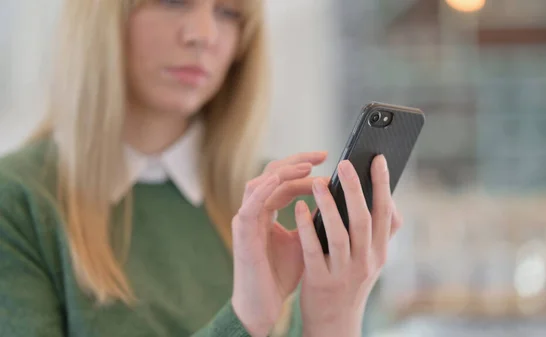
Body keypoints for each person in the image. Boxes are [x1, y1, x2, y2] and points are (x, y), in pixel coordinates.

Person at [0, 0, 402, 336]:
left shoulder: (282, 204)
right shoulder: (19, 202)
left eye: (228, 12)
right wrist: (244, 321)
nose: (204, 35)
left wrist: (333, 319)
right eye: (174, 0)